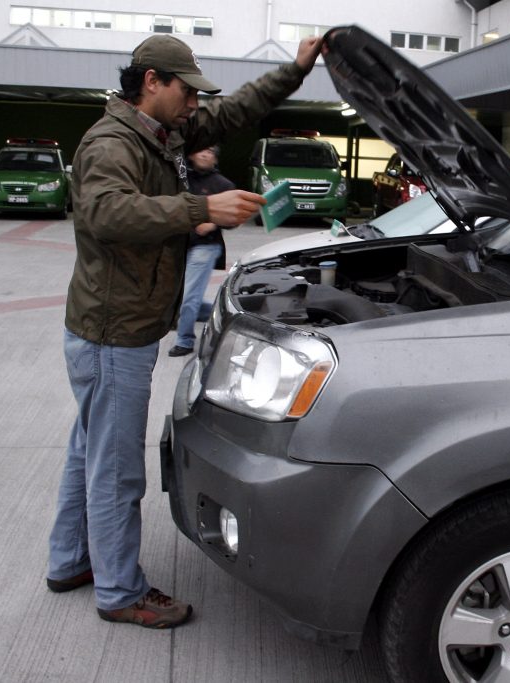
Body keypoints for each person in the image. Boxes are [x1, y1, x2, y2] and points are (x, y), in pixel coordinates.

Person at [46, 33, 323, 629]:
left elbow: (237, 109)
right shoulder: (111, 142)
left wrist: (296, 70)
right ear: (151, 82)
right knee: (115, 469)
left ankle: (70, 560)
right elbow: (105, 212)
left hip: (121, 328)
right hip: (111, 334)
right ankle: (120, 592)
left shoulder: (162, 133)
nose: (195, 103)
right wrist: (201, 211)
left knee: (86, 454)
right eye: (186, 90)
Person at [168, 145, 234, 357]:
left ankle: (185, 340)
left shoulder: (222, 184)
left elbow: (234, 216)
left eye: (212, 152)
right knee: (179, 296)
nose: (205, 154)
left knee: (189, 296)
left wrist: (213, 223)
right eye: (202, 150)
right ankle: (223, 315)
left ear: (216, 160)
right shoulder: (181, 180)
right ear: (191, 153)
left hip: (205, 246)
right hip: (180, 244)